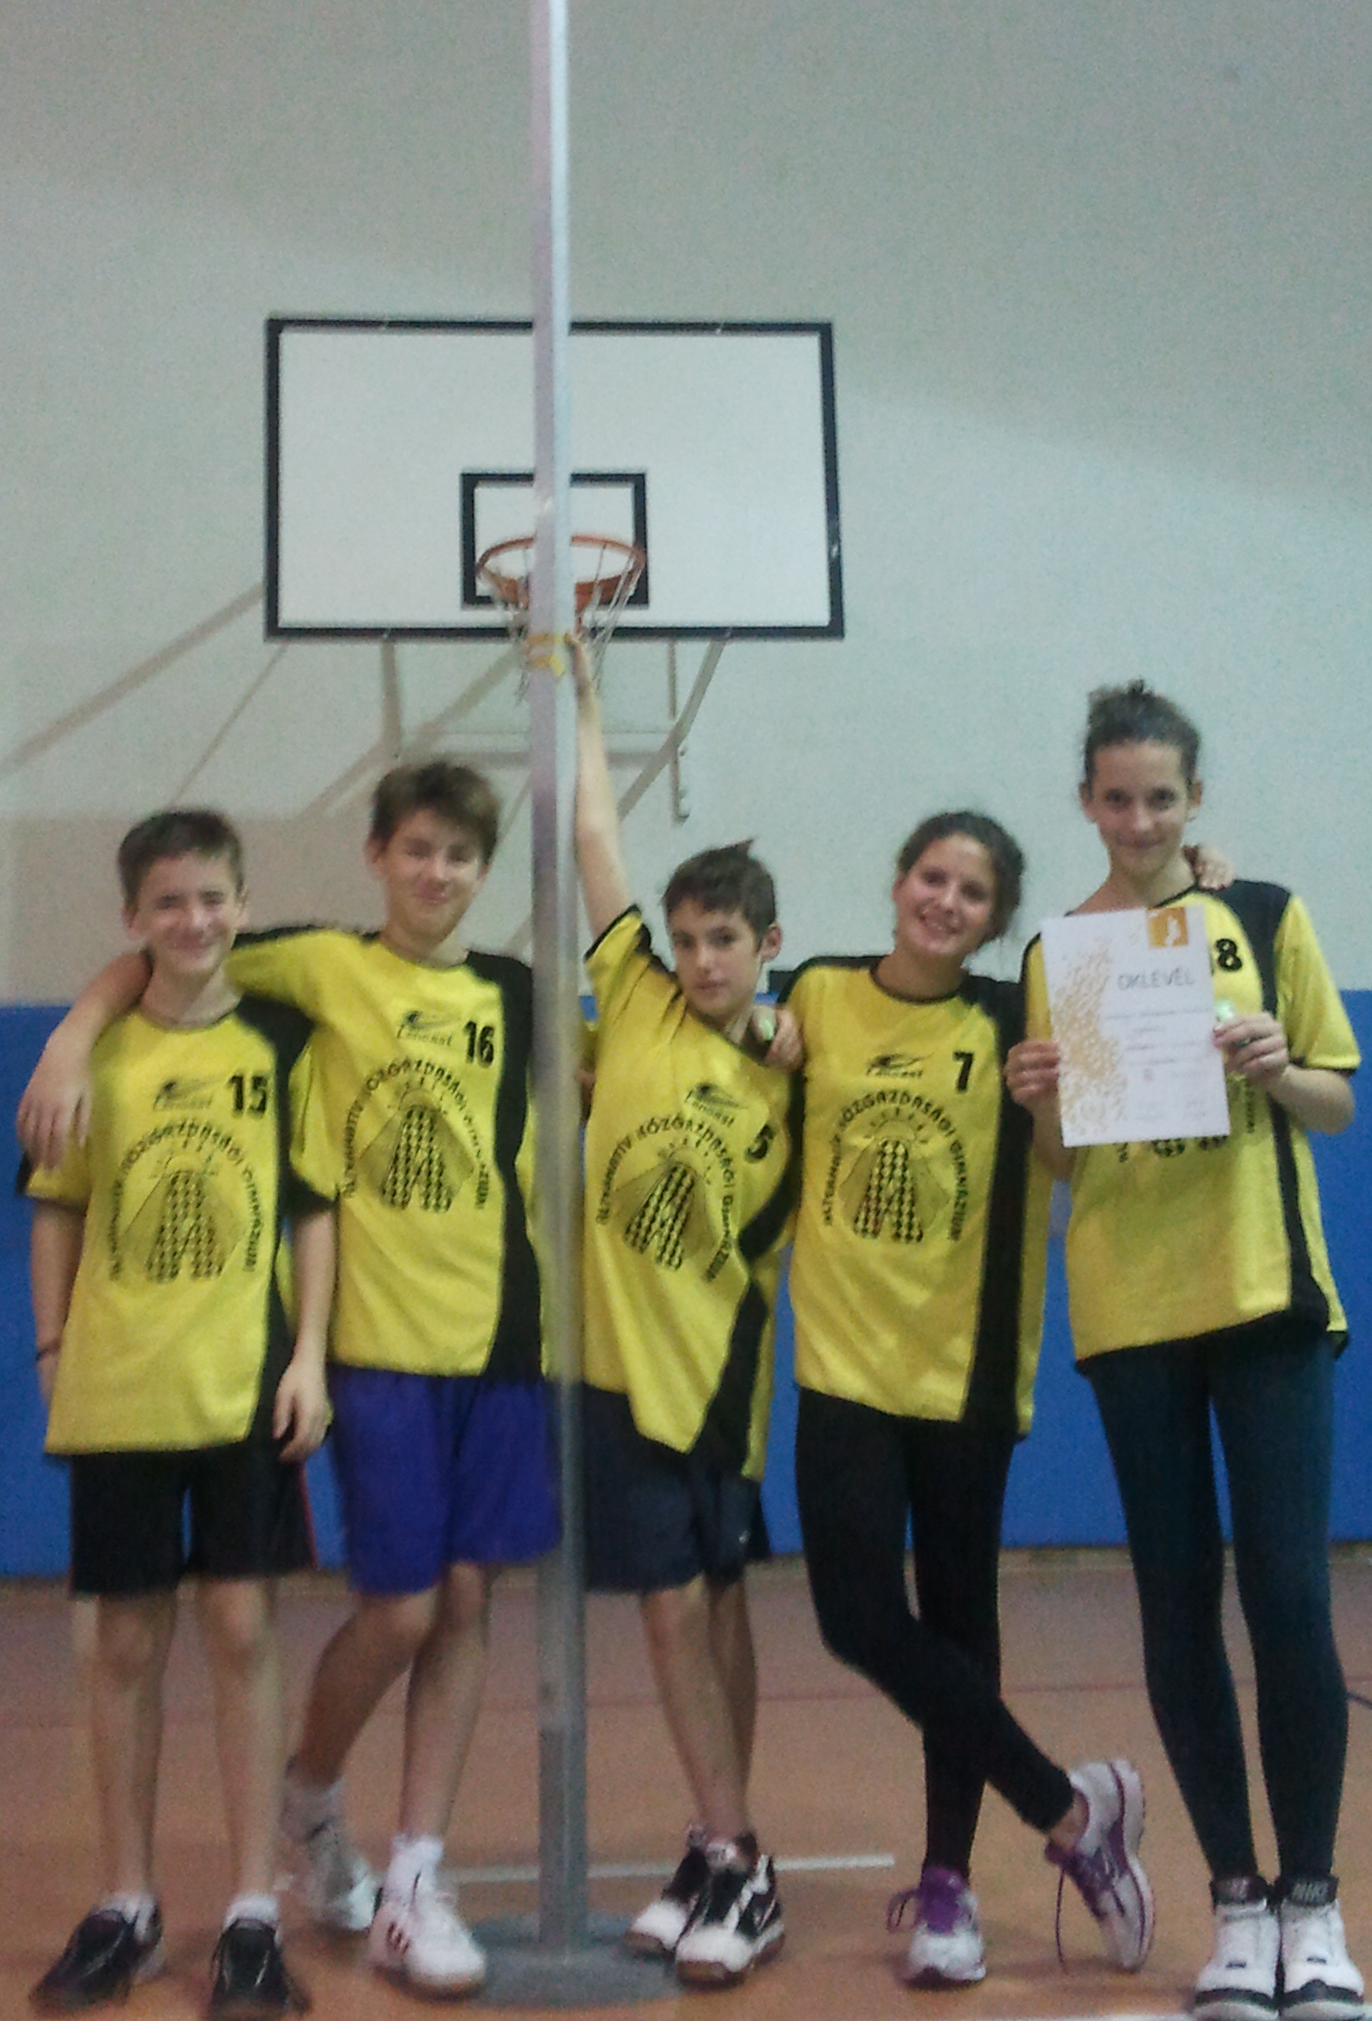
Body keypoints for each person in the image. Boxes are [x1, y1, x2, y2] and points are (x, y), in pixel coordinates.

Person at [18, 760, 559, 2003]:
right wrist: (69, 1031)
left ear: (484, 869)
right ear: (376, 854)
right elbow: (161, 955)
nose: (437, 871)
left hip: (489, 1338)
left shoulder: (512, 992)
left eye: (459, 854)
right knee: (388, 1610)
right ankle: (278, 1811)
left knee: (459, 1597)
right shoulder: (311, 969)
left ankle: (403, 1874)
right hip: (351, 1344)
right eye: (416, 848)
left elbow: (623, 1052)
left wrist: (771, 1026)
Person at [1007, 681, 1364, 2021]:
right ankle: (1235, 1903)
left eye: (1161, 795)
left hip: (1263, 1295)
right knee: (1174, 1602)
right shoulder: (1059, 952)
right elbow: (1060, 1158)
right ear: (1086, 802)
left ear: (1192, 797)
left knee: (1287, 1596)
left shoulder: (1259, 915)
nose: (1140, 817)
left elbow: (1332, 1101)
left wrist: (1274, 1063)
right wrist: (1036, 1099)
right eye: (1117, 796)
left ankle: (1313, 1906)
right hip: (1130, 1314)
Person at [784, 813, 1156, 1989]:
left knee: (957, 1620)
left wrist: (1193, 879)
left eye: (974, 890)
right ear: (899, 880)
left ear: (996, 916)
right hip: (843, 1365)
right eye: (933, 875)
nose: (946, 900)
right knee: (855, 1617)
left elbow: (1072, 1154)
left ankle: (948, 1883)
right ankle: (1070, 1809)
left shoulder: (1015, 1016)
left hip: (968, 1369)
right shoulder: (820, 992)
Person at [21, 808, 333, 2019]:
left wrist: (310, 1354)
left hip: (240, 1384)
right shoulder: (93, 1054)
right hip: (120, 1387)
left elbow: (314, 1205)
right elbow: (57, 1205)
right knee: (121, 1645)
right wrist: (52, 1345)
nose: (194, 919)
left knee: (245, 1629)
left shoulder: (281, 1037)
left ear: (243, 904)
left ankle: (252, 1911)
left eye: (212, 897)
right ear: (132, 918)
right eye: (168, 902)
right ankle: (127, 1902)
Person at [573, 652, 797, 1985]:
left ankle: (733, 1852)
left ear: (767, 943)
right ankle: (724, 1845)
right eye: (689, 935)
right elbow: (593, 833)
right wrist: (577, 683)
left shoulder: (796, 1067)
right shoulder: (636, 994)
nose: (704, 958)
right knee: (678, 1609)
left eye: (726, 939)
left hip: (714, 1376)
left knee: (704, 1606)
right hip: (612, 1366)